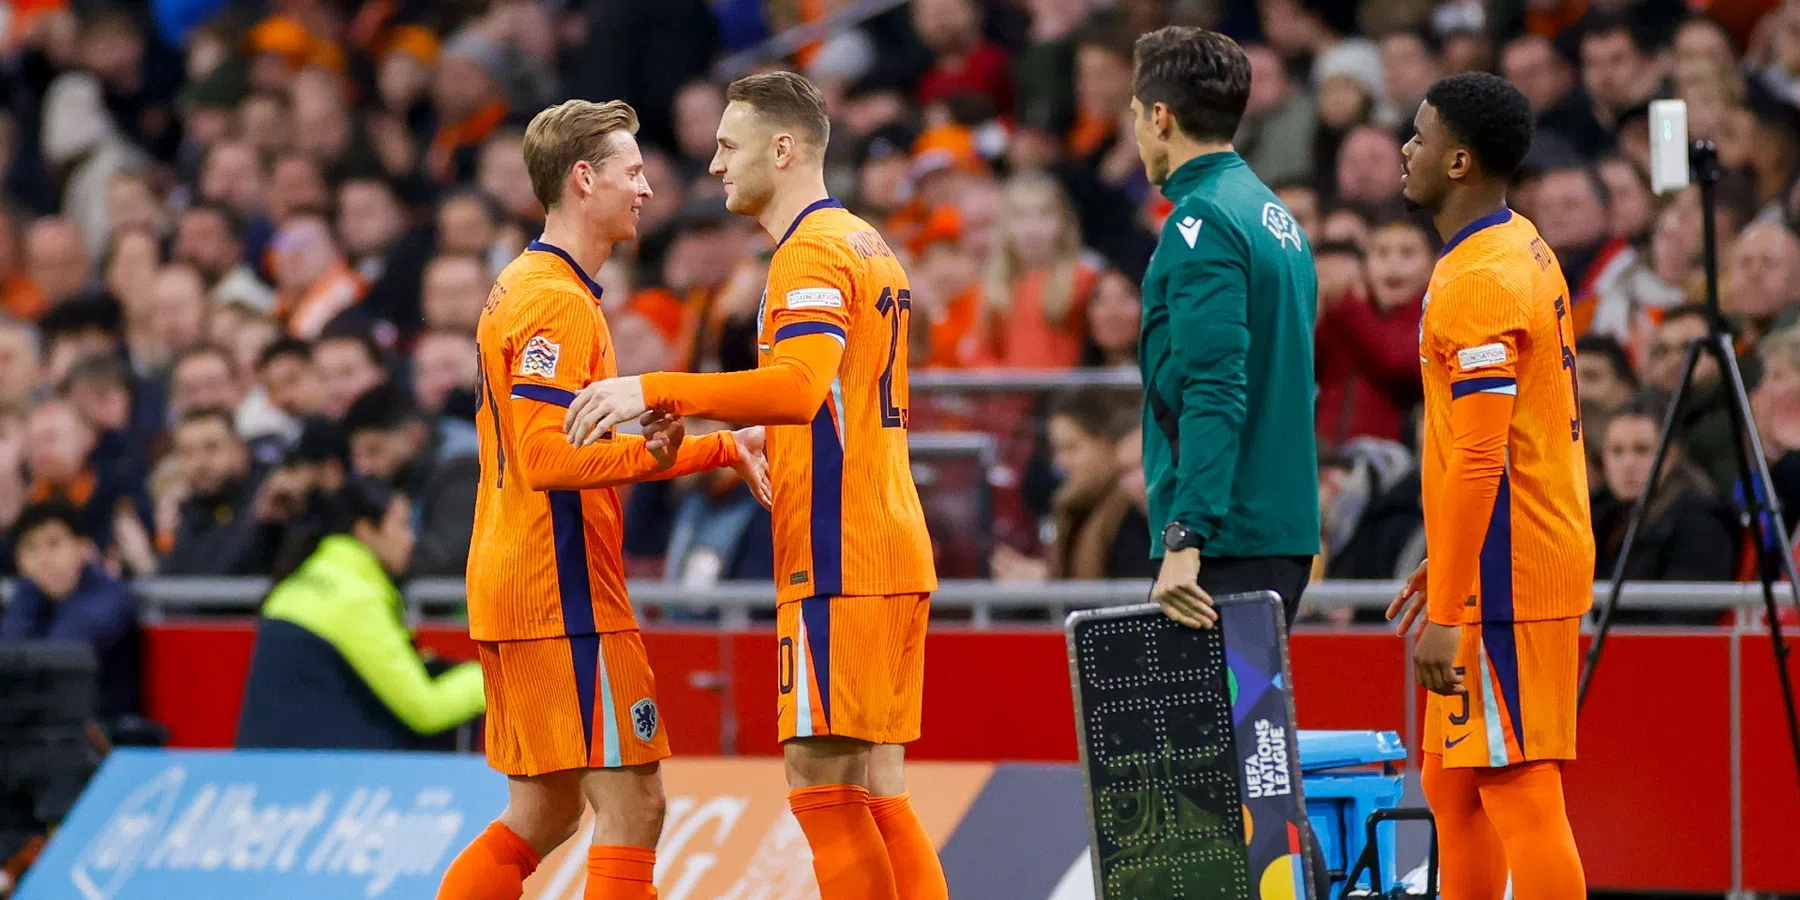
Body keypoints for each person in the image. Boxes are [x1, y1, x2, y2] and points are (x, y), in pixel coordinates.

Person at [559, 72, 946, 900]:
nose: (713, 165)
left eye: (728, 147)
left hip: (841, 553)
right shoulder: (864, 240)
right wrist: (744, 436)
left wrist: (657, 388)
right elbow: (836, 397)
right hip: (883, 538)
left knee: (824, 787)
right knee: (878, 788)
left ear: (783, 148)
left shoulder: (807, 249)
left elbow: (801, 387)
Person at [436, 99, 769, 900]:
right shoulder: (552, 300)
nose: (647, 188)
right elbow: (549, 459)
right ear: (584, 179)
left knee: (544, 811)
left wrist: (714, 444)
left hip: (522, 584)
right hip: (563, 594)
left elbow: (569, 450)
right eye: (633, 170)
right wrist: (678, 445)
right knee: (637, 804)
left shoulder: (533, 285)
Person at [1386, 72, 1591, 899]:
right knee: (1451, 784)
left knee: (1519, 787)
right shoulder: (1518, 244)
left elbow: (1481, 457)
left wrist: (1452, 605)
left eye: (1420, 136)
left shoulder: (1479, 281)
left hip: (1511, 574)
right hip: (1501, 561)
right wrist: (1450, 563)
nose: (1407, 148)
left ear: (1461, 161)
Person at [1127, 26, 1320, 629]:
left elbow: (1213, 386)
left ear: (1161, 117)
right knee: (1247, 724)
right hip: (1270, 525)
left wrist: (1186, 535)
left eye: (1134, 115)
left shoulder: (1202, 220)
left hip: (1223, 541)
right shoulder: (1270, 212)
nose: (1134, 133)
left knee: (1217, 727)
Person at [235, 477, 483, 749]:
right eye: (401, 526)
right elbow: (426, 710)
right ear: (366, 530)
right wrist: (490, 680)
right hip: (325, 773)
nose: (410, 540)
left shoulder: (305, 575)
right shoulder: (354, 597)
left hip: (268, 766)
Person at [0, 500, 140, 721]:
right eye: (30, 548)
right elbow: (8, 658)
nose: (43, 559)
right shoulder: (29, 595)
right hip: (42, 731)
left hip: (106, 734)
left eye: (54, 544)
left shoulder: (109, 598)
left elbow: (62, 659)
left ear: (82, 548)